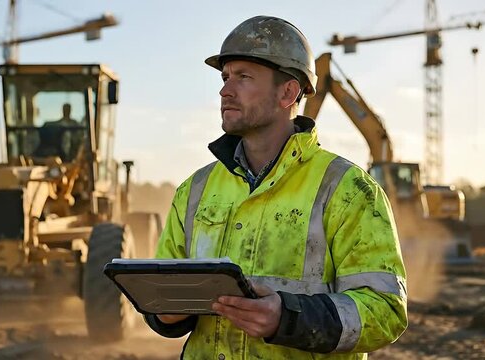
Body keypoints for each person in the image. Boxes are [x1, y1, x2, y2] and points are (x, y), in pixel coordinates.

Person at [143, 16, 407, 359]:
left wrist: (287, 317)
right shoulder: (195, 189)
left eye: (244, 77)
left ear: (288, 92)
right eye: (225, 77)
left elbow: (386, 310)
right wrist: (163, 312)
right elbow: (164, 298)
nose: (225, 90)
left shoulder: (349, 189)